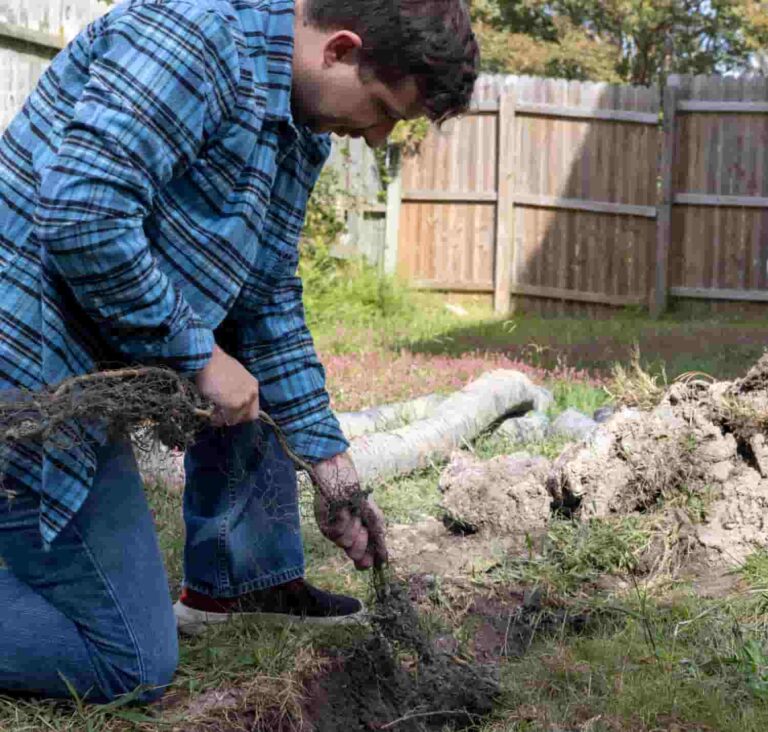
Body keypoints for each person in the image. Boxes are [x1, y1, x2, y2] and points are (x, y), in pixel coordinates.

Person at [0, 0, 478, 704]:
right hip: (24, 370)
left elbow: (266, 298)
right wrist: (196, 355)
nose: (376, 139)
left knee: (237, 340)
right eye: (381, 110)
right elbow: (84, 213)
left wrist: (331, 467)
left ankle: (243, 582)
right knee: (128, 663)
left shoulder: (298, 123)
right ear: (338, 50)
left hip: (79, 376)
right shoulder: (193, 41)